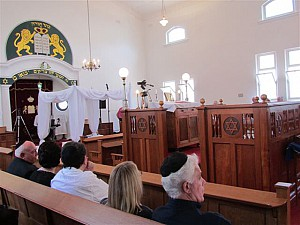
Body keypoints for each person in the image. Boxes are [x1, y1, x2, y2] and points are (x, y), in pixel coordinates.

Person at [152, 152, 231, 225]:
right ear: (187, 187)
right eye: (199, 178)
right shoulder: (213, 222)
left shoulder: (157, 215)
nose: (204, 182)